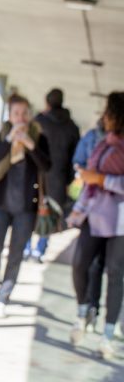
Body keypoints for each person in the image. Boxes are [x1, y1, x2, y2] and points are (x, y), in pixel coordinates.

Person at [0, 94, 51, 318]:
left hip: (26, 207)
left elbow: (46, 166)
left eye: (24, 113)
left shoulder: (38, 137)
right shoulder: (3, 134)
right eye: (16, 113)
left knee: (16, 253)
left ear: (29, 115)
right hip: (1, 202)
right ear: (10, 115)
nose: (20, 117)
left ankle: (3, 298)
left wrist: (29, 144)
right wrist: (10, 139)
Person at [68, 91, 124, 359]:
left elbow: (99, 179)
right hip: (94, 215)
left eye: (109, 113)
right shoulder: (103, 143)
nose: (105, 117)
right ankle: (84, 312)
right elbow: (89, 181)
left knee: (115, 274)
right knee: (80, 263)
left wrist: (102, 180)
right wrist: (78, 211)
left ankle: (108, 334)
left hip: (121, 222)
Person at [24, 88, 80, 262]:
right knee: (50, 214)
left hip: (36, 174)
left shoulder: (38, 121)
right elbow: (75, 157)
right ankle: (39, 250)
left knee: (29, 211)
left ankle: (25, 248)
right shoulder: (72, 127)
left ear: (47, 102)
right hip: (59, 176)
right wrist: (68, 180)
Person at [71, 118, 107, 332]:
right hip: (91, 205)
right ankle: (86, 306)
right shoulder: (93, 138)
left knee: (99, 265)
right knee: (84, 263)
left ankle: (93, 307)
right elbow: (78, 162)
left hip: (112, 213)